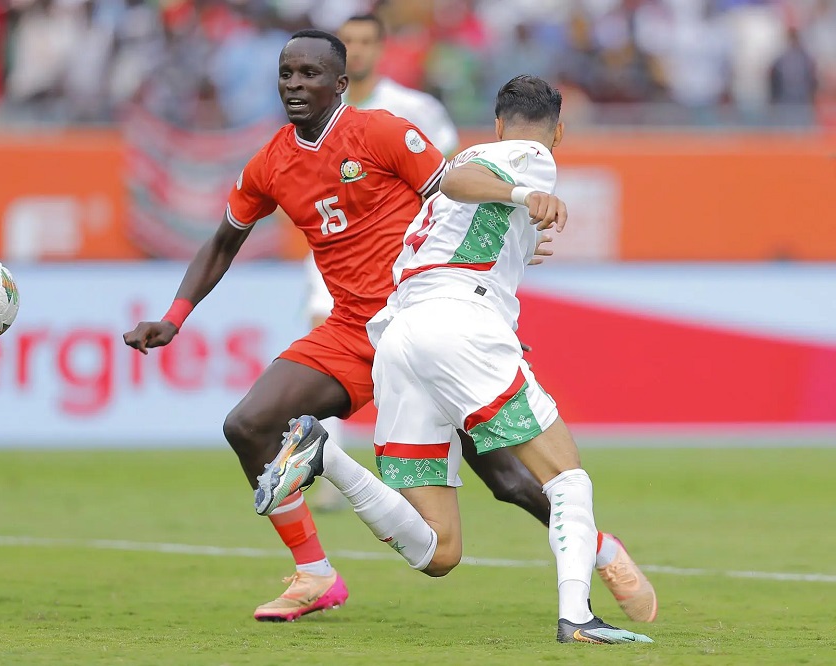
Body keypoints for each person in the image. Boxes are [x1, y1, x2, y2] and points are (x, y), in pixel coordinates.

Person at [124, 32, 654, 625]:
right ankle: (314, 572)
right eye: (287, 74)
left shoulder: (380, 132)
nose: (295, 85)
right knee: (247, 425)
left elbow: (453, 198)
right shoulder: (269, 162)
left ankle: (601, 550)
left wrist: (490, 275)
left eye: (308, 74)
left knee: (508, 480)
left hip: (420, 315)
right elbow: (224, 242)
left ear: (340, 84)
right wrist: (174, 317)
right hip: (354, 328)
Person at [254, 75, 656, 644]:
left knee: (438, 550)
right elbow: (466, 181)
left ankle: (326, 456)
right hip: (459, 325)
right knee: (566, 477)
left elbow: (456, 220)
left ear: (496, 121)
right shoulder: (527, 157)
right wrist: (524, 197)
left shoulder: (460, 174)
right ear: (558, 132)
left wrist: (517, 245)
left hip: (400, 335)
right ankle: (578, 617)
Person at [305, 13, 459, 512]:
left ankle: (420, 466)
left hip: (401, 259)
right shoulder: (318, 111)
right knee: (324, 355)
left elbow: (448, 181)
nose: (357, 50)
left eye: (366, 41)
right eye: (348, 42)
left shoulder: (415, 108)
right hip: (333, 256)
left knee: (409, 363)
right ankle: (330, 468)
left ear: (381, 47)